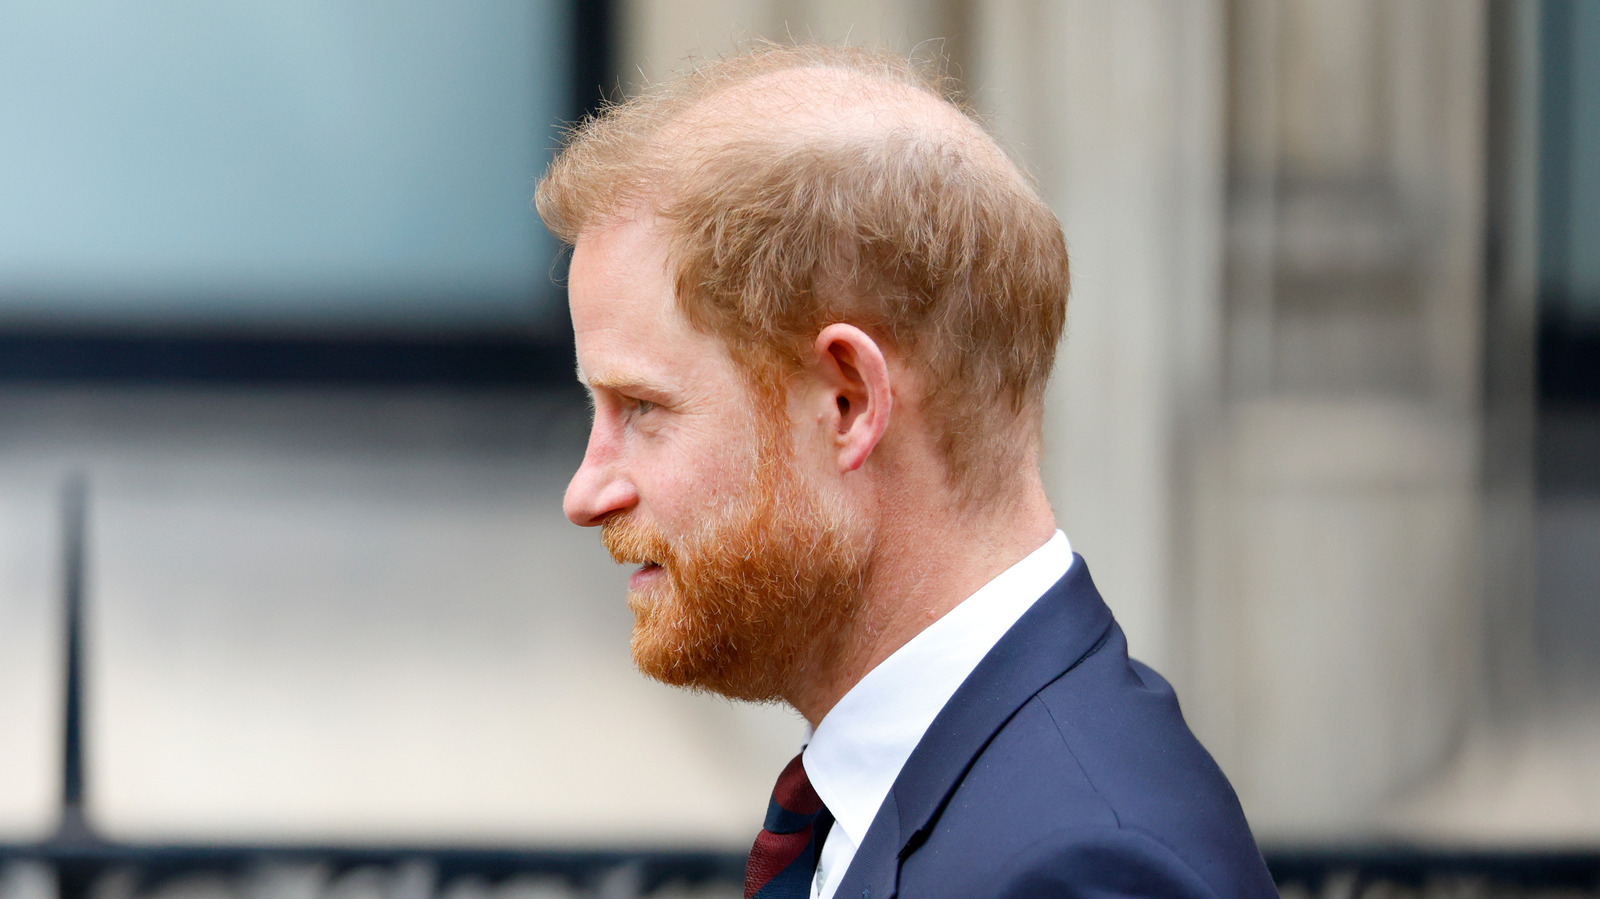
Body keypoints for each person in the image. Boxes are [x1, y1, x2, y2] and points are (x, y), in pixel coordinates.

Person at [537, 43, 1277, 899]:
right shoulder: (916, 789)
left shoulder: (1083, 870)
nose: (587, 492)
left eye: (643, 409)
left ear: (848, 402)